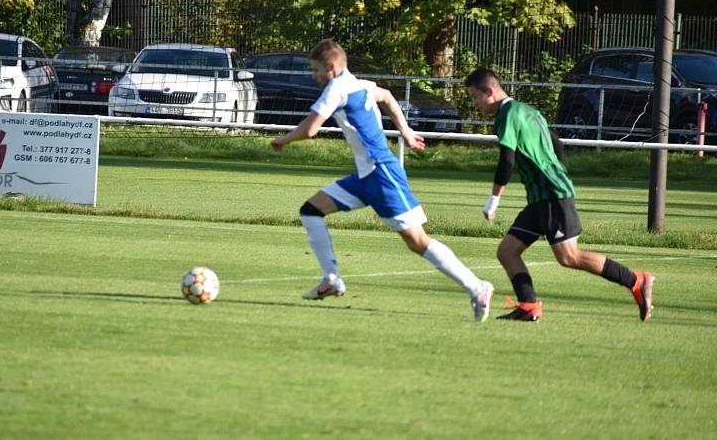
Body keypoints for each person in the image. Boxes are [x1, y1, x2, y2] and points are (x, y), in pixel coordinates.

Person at [271, 40, 494, 322]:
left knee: (417, 241)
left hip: (382, 173)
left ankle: (478, 288)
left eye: (316, 70)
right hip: (365, 176)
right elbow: (387, 95)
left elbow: (311, 129)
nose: (314, 76)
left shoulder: (337, 87)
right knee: (311, 210)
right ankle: (332, 279)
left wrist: (283, 139)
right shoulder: (361, 84)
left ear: (331, 67)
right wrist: (406, 132)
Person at [464, 67, 654, 322]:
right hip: (544, 196)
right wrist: (557, 174)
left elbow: (507, 161)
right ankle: (529, 306)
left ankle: (636, 280)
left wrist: (493, 200)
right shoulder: (528, 110)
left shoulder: (506, 115)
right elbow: (558, 145)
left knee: (569, 256)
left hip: (551, 195)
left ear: (490, 91)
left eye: (476, 97)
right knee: (507, 251)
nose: (475, 104)